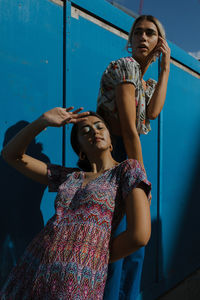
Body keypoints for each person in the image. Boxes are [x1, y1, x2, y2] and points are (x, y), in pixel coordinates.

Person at [0, 107, 151, 299]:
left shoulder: (127, 170)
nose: (94, 131)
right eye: (85, 131)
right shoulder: (68, 176)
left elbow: (139, 236)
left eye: (99, 127)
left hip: (77, 279)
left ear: (111, 140)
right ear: (80, 150)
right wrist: (43, 121)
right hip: (35, 265)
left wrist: (93, 257)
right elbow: (11, 155)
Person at [97, 15, 170, 299]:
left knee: (136, 249)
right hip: (112, 161)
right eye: (137, 32)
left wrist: (164, 69)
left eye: (150, 33)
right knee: (119, 247)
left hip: (126, 158)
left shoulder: (143, 80)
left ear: (159, 42)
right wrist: (140, 179)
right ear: (129, 41)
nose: (142, 37)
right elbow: (129, 130)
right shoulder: (126, 66)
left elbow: (151, 113)